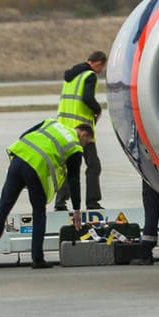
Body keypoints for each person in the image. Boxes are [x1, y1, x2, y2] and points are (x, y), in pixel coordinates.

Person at [0, 119, 93, 269]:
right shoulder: (75, 147)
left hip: (19, 159)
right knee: (39, 212)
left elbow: (25, 135)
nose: (85, 146)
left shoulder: (52, 123)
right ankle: (37, 258)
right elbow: (74, 181)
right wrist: (77, 210)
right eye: (87, 142)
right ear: (84, 134)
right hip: (36, 169)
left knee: (4, 205)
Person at [52, 49, 106, 211]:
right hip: (83, 131)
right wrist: (98, 109)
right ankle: (92, 202)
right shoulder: (89, 76)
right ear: (97, 63)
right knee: (94, 166)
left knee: (69, 166)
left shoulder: (71, 77)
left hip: (65, 129)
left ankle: (60, 202)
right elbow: (87, 98)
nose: (101, 71)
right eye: (102, 67)